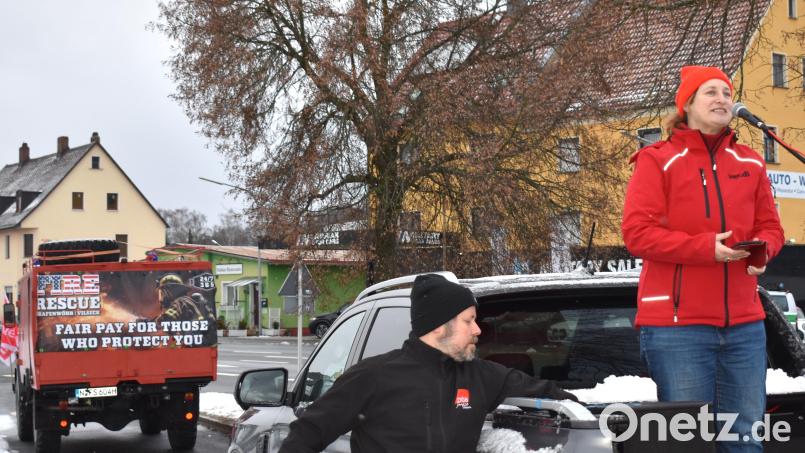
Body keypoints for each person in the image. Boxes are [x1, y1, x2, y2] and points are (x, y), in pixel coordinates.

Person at [622, 66, 785, 452]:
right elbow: (637, 233)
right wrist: (705, 249)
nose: (722, 100)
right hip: (678, 328)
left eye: (727, 93)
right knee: (688, 441)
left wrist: (764, 250)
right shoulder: (656, 160)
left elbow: (771, 227)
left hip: (745, 325)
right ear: (688, 105)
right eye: (710, 92)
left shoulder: (751, 162)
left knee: (744, 439)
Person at [279, 273, 577, 452]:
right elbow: (305, 435)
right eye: (468, 321)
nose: (477, 330)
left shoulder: (482, 376)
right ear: (438, 326)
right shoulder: (373, 377)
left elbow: (552, 394)